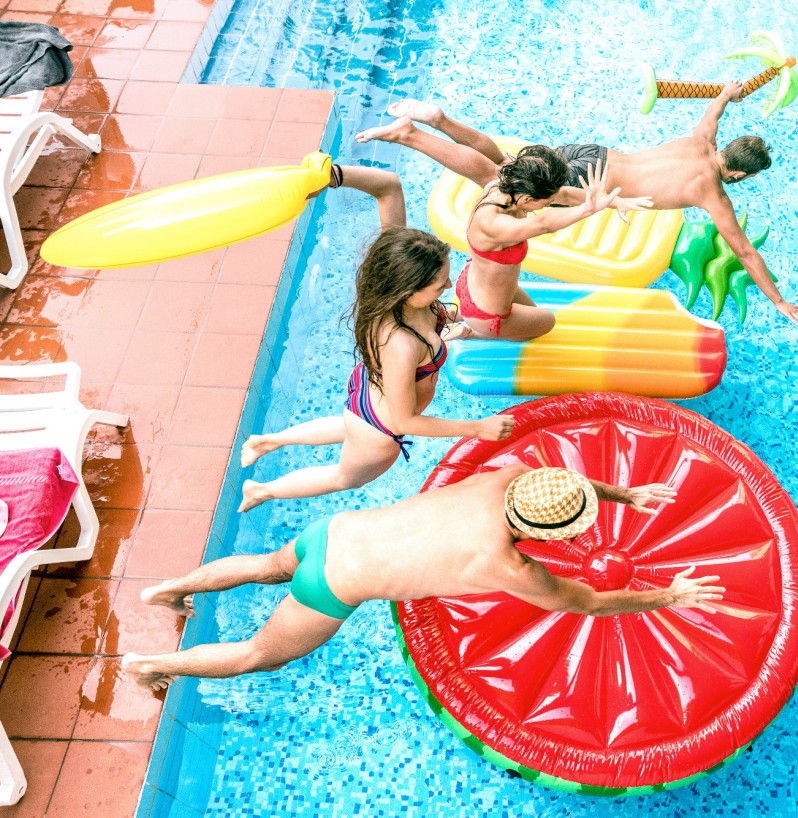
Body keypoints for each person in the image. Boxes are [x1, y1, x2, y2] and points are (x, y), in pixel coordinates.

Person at [122, 467, 725, 690]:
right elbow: (590, 603)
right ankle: (150, 665)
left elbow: (557, 483)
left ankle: (170, 588)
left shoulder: (508, 477)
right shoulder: (507, 565)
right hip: (335, 584)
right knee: (259, 655)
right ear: (550, 535)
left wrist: (623, 493)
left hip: (333, 533)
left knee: (265, 566)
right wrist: (669, 595)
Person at [356, 84, 798, 327]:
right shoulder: (713, 193)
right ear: (740, 174)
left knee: (505, 168)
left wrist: (728, 93)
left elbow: (715, 109)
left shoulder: (701, 140)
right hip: (591, 181)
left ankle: (436, 122)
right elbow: (744, 251)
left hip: (590, 155)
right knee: (495, 177)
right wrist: (778, 300)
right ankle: (423, 129)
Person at [237, 165, 514, 513]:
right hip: (381, 428)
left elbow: (388, 185)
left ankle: (269, 441)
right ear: (408, 289)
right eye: (439, 285)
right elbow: (403, 422)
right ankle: (261, 490)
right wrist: (476, 427)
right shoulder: (402, 344)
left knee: (350, 425)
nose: (448, 285)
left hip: (368, 395)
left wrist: (330, 174)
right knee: (343, 478)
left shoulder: (391, 278)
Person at [355, 121, 649, 342]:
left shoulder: (503, 184)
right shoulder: (494, 223)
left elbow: (469, 153)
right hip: (486, 314)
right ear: (528, 199)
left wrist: (614, 201)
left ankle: (452, 314)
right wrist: (588, 209)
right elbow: (543, 224)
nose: (550, 204)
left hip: (477, 286)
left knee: (531, 310)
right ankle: (469, 331)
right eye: (545, 202)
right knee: (546, 322)